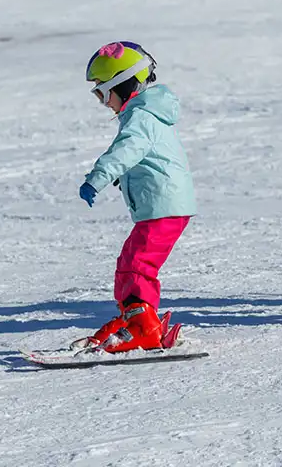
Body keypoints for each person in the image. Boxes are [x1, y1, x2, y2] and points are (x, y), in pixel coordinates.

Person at [71, 41, 196, 352]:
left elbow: (124, 152)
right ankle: (136, 319)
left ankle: (143, 327)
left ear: (123, 86)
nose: (103, 102)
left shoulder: (141, 118)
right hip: (162, 205)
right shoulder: (144, 114)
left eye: (103, 93)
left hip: (163, 205)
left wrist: (96, 179)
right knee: (130, 261)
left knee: (138, 264)